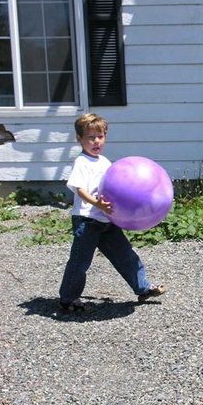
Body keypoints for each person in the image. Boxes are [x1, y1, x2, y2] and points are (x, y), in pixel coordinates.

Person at [58, 113, 166, 312]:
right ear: (79, 139)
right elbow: (79, 189)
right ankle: (68, 298)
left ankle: (143, 288)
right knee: (80, 262)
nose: (96, 141)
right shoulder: (81, 162)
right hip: (87, 220)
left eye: (100, 136)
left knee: (125, 255)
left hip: (107, 220)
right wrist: (97, 204)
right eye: (90, 137)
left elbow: (119, 187)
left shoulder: (105, 162)